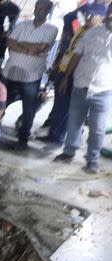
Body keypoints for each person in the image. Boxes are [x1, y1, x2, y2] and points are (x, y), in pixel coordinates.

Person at [53, 4, 112, 174]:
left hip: (104, 90)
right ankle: (68, 152)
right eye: (109, 11)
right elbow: (76, 55)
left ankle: (92, 160)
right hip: (80, 85)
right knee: (74, 122)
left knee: (98, 128)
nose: (110, 15)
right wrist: (66, 78)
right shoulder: (91, 33)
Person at [40, 3, 107, 147]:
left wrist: (67, 76)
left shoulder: (98, 37)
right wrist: (59, 64)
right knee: (60, 107)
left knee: (68, 110)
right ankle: (55, 136)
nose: (88, 17)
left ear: (101, 18)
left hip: (76, 75)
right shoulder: (81, 28)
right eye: (87, 14)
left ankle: (60, 139)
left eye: (92, 15)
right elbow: (70, 48)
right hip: (64, 69)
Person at [1, 0, 57, 150]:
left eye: (43, 9)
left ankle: (23, 138)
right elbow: (9, 43)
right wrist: (28, 50)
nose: (39, 11)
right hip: (10, 73)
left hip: (31, 77)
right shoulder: (21, 25)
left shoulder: (52, 29)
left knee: (28, 109)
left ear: (48, 11)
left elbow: (40, 48)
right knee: (0, 104)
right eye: (37, 7)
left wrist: (20, 45)